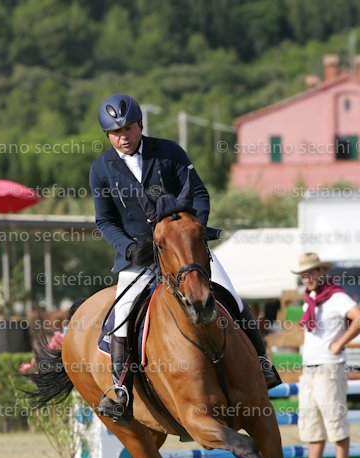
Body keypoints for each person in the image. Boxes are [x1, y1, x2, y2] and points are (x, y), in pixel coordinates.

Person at [89, 93, 281, 422]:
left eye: (129, 128)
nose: (124, 137)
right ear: (108, 135)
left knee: (230, 294)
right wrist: (128, 248)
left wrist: (194, 231)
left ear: (140, 125)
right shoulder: (101, 169)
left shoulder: (169, 152)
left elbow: (200, 194)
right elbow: (105, 221)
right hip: (138, 256)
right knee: (122, 314)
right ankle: (121, 389)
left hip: (185, 250)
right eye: (116, 132)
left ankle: (262, 362)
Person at [291, 252, 360, 458]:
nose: (307, 278)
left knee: (335, 420)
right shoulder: (310, 298)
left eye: (310, 273)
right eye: (303, 275)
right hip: (310, 368)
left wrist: (340, 343)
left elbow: (358, 318)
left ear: (321, 272)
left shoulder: (337, 296)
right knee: (311, 421)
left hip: (329, 367)